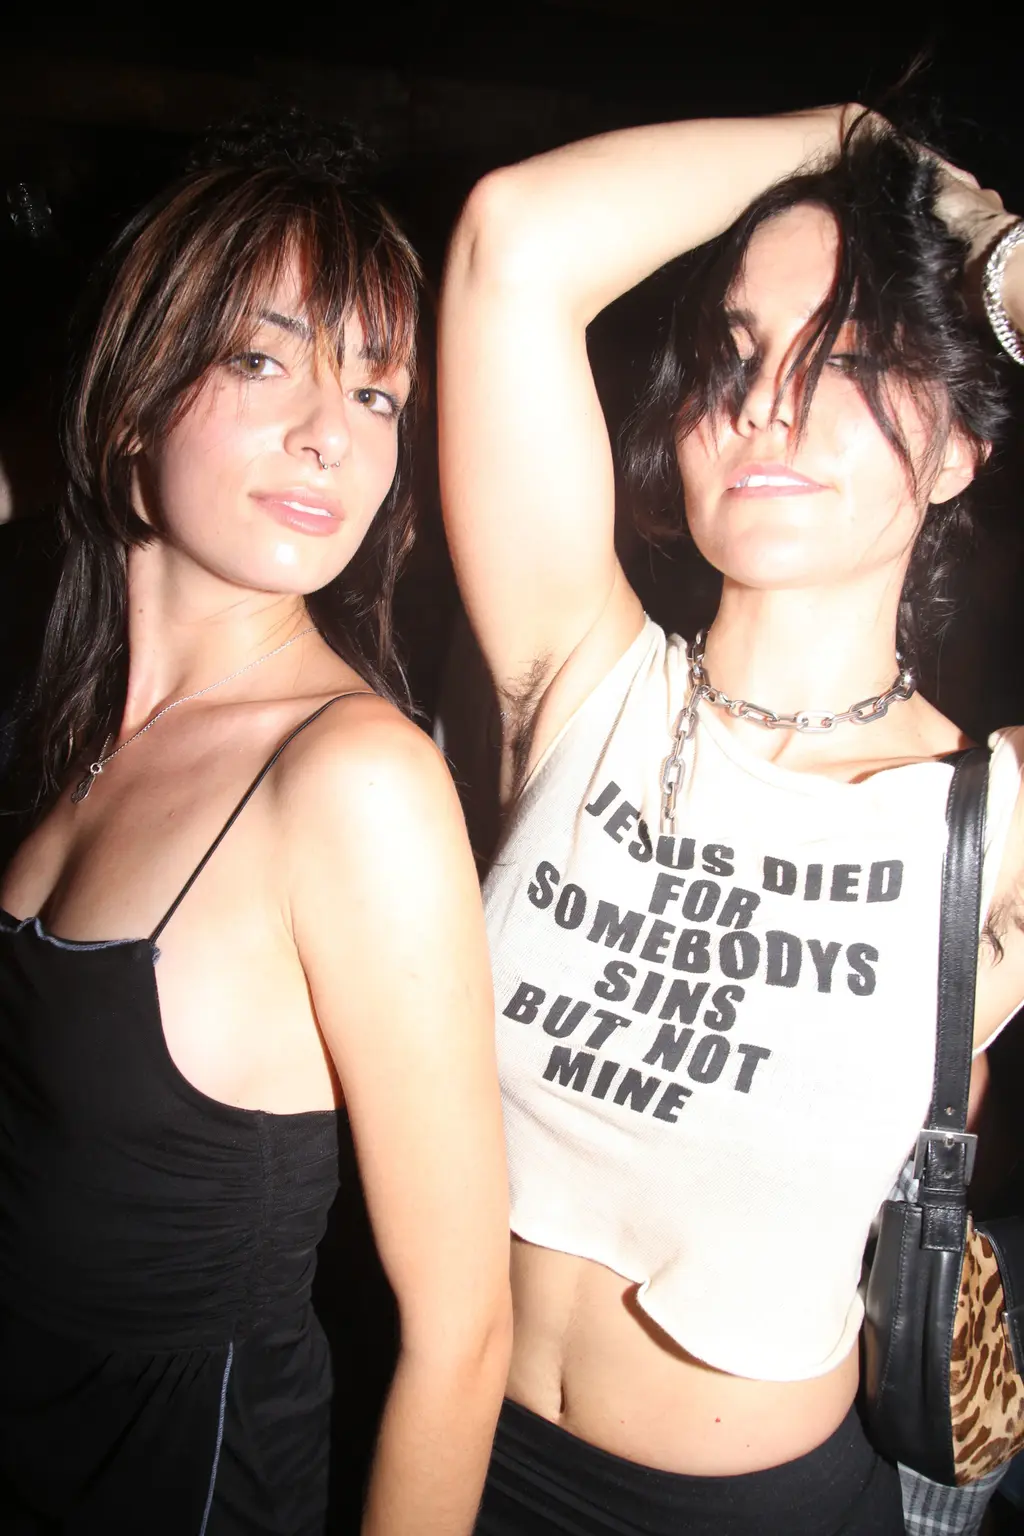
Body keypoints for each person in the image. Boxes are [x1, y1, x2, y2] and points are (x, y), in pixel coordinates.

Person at [438, 105, 1024, 1535]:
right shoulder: (580, 680)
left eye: (854, 359)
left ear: (960, 444)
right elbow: (513, 243)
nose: (770, 402)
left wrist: (999, 261)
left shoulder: (997, 817)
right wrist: (859, 136)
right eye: (737, 354)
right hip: (446, 1448)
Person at [0, 117, 511, 1535]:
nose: (332, 434)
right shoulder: (78, 723)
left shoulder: (352, 782)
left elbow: (464, 1329)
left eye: (378, 392)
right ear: (131, 392)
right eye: (262, 359)